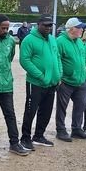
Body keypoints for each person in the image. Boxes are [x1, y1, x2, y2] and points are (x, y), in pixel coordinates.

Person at [0, 12, 30, 156]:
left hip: (6, 85)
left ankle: (14, 143)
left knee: (10, 114)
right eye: (2, 28)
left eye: (7, 28)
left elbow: (9, 58)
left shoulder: (10, 41)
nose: (5, 31)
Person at [19, 16, 62, 149]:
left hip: (52, 83)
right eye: (45, 25)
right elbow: (24, 60)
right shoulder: (29, 40)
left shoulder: (53, 40)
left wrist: (59, 74)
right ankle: (25, 138)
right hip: (36, 83)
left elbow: (57, 57)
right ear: (38, 24)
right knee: (31, 111)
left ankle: (39, 135)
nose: (48, 28)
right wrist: (40, 76)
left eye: (50, 26)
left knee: (46, 111)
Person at [55, 17, 86, 142]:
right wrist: (60, 78)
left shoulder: (79, 42)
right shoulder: (60, 42)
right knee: (62, 108)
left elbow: (83, 59)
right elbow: (56, 61)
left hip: (81, 80)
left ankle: (76, 129)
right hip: (66, 81)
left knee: (81, 106)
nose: (82, 30)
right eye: (79, 27)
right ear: (71, 29)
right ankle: (60, 130)